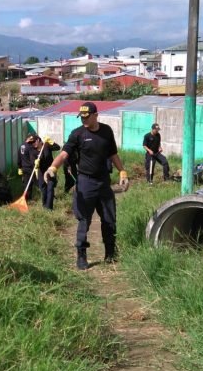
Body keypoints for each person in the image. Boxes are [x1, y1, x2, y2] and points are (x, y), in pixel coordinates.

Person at [43, 102, 129, 270]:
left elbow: (113, 154)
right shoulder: (78, 134)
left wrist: (122, 172)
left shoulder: (106, 131)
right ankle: (81, 255)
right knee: (84, 219)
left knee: (109, 219)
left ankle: (110, 253)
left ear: (96, 115)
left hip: (104, 182)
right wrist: (53, 167)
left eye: (87, 117)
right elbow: (64, 153)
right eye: (81, 117)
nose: (84, 120)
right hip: (85, 182)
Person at [37, 135, 61, 210]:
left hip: (50, 170)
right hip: (41, 172)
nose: (33, 144)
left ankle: (49, 208)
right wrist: (35, 162)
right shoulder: (32, 149)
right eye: (31, 143)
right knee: (43, 190)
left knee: (50, 188)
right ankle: (44, 205)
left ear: (38, 140)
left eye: (34, 141)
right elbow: (30, 159)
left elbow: (58, 148)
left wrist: (52, 142)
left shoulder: (46, 146)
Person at [17, 133, 40, 200]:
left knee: (27, 184)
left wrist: (19, 167)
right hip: (31, 168)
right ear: (29, 138)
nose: (33, 141)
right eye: (33, 139)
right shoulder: (30, 147)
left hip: (24, 168)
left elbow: (19, 158)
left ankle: (27, 199)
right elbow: (32, 158)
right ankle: (47, 196)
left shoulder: (21, 146)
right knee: (38, 183)